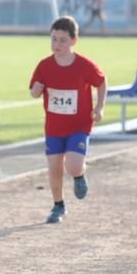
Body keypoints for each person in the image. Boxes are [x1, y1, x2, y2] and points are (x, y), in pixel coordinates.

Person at [29, 16, 106, 224]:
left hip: (79, 126)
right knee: (54, 169)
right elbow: (34, 90)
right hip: (54, 128)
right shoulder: (44, 66)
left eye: (62, 40)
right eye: (53, 39)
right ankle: (58, 205)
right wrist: (36, 91)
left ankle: (79, 176)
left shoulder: (83, 65)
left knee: (72, 166)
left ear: (74, 40)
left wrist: (99, 107)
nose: (57, 44)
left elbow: (101, 82)